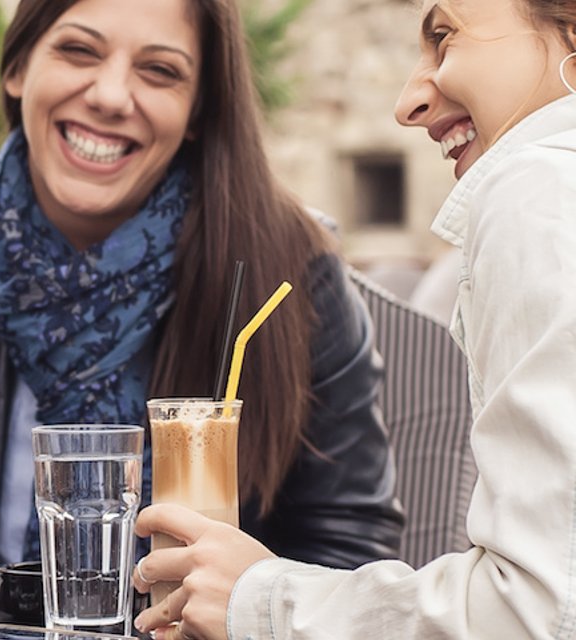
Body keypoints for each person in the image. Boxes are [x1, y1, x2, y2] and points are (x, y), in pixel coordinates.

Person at [0, 0, 403, 570]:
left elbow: (348, 550)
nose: (110, 96)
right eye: (79, 50)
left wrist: (249, 604)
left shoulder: (291, 270)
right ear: (17, 69)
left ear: (199, 109)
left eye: (159, 71)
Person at [132, 1, 576, 638]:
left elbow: (542, 612)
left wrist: (261, 601)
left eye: (444, 37)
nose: (406, 103)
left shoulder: (541, 188)